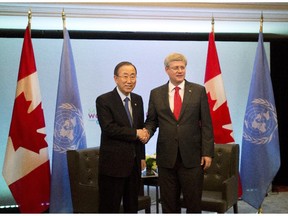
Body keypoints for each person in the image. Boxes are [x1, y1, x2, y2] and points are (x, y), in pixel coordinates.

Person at [143, 53, 214, 213]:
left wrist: (207, 152)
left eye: (182, 67)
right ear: (167, 70)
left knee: (193, 203)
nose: (180, 71)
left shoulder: (198, 91)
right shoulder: (156, 93)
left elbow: (207, 124)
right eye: (176, 68)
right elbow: (152, 121)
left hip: (192, 157)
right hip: (167, 158)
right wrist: (146, 132)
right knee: (169, 203)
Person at [96, 61, 147, 213]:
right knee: (109, 207)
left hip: (134, 165)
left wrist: (142, 156)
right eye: (125, 76)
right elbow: (109, 128)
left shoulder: (138, 100)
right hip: (113, 166)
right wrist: (135, 133)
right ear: (115, 79)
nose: (129, 81)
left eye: (133, 76)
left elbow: (140, 127)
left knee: (132, 207)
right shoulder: (104, 100)